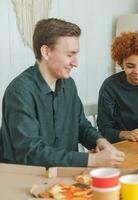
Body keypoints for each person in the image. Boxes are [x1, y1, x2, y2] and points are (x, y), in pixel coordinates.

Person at [0, 18, 125, 168]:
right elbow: (30, 153)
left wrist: (100, 141)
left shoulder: (69, 85)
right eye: (69, 55)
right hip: (26, 181)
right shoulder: (19, 92)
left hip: (65, 180)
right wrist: (91, 160)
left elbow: (81, 126)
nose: (75, 62)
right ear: (46, 52)